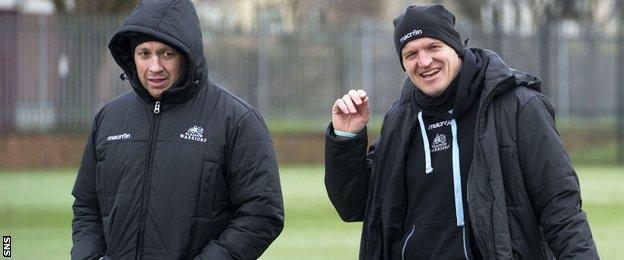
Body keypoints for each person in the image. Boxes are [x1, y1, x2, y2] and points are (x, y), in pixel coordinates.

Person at [325, 4, 599, 260]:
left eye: (433, 46)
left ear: (455, 47)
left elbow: (560, 209)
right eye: (410, 54)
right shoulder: (400, 119)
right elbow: (357, 207)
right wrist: (346, 139)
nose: (424, 61)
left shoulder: (518, 105)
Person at [71, 0, 284, 259]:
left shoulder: (237, 120)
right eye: (144, 53)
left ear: (188, 54)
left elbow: (262, 213)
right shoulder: (109, 118)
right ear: (131, 56)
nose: (155, 67)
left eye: (167, 54)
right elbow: (86, 206)